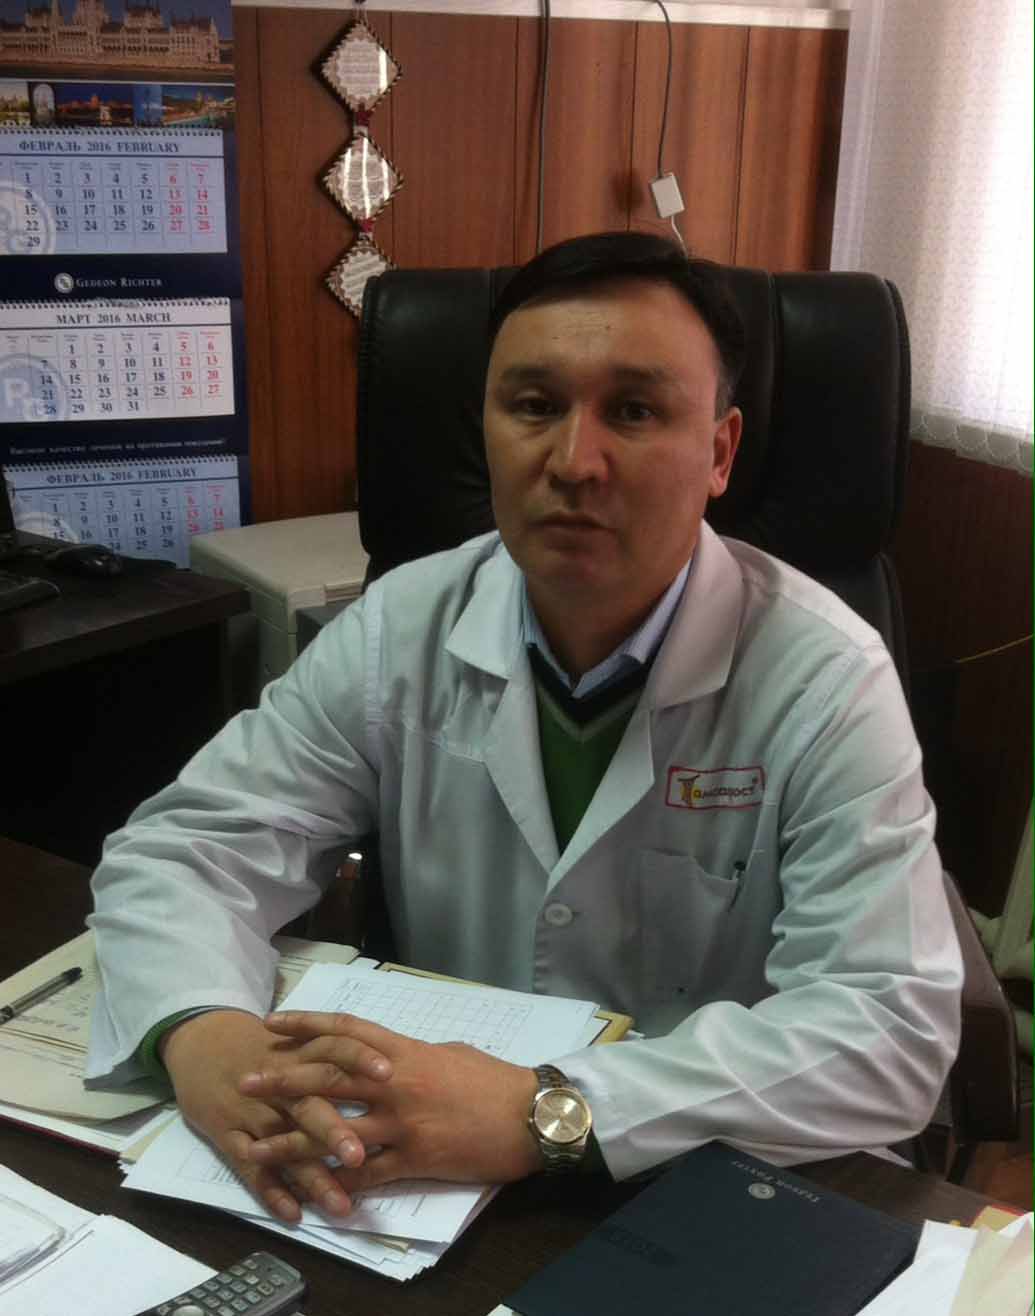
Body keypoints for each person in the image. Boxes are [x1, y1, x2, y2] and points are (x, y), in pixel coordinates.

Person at [86, 231, 962, 1226]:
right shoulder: (401, 627)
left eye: (633, 411)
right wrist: (203, 1034)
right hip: (420, 1183)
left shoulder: (825, 677)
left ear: (719, 452)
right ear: (487, 427)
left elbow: (888, 1028)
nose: (573, 461)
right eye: (535, 405)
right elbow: (187, 850)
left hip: (714, 1179)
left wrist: (551, 1109)